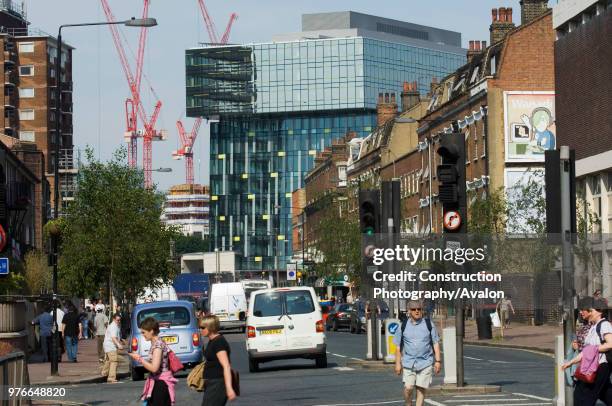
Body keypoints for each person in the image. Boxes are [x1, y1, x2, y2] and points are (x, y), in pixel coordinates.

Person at [562, 299, 612, 405]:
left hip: (599, 367)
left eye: (584, 309)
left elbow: (610, 344)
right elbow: (585, 351)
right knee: (606, 394)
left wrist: (593, 349)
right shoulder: (593, 327)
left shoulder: (604, 325)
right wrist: (571, 362)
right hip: (591, 366)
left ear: (596, 311)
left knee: (583, 397)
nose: (581, 312)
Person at [393, 300, 441, 406]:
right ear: (409, 311)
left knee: (421, 389)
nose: (417, 311)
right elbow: (398, 347)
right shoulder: (403, 325)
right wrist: (397, 364)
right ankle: (408, 403)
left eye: (419, 309)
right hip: (409, 363)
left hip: (425, 362)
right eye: (414, 309)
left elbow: (435, 343)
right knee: (408, 388)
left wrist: (438, 361)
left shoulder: (429, 324)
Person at [129, 317, 177, 405]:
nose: (143, 335)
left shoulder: (158, 346)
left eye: (144, 332)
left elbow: (154, 368)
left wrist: (139, 359)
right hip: (157, 382)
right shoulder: (156, 343)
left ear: (151, 331)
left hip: (161, 384)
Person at [200, 315, 236, 406]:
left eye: (202, 327)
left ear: (210, 327)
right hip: (212, 383)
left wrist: (229, 388)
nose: (200, 330)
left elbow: (226, 366)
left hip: (218, 383)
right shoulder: (212, 341)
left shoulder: (219, 342)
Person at [101, 313, 123, 383]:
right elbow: (113, 338)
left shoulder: (114, 325)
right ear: (114, 319)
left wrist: (121, 340)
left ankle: (104, 372)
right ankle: (111, 377)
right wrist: (119, 345)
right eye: (117, 320)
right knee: (114, 361)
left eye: (120, 320)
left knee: (109, 360)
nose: (119, 321)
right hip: (111, 346)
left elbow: (115, 336)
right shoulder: (114, 326)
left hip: (107, 345)